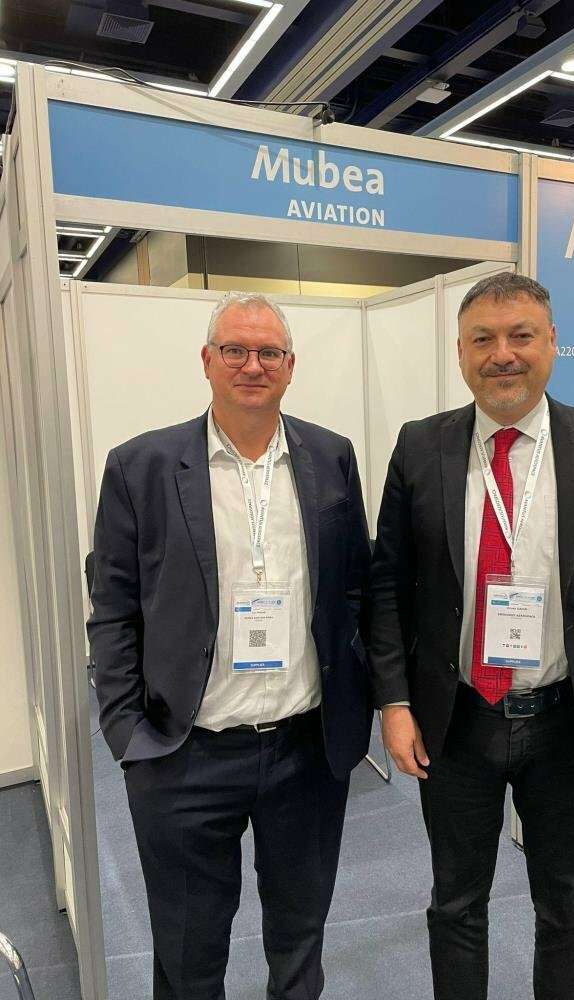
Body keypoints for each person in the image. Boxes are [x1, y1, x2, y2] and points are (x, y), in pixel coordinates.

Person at [369, 273, 574, 1000]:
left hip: (569, 721)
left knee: (566, 907)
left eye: (520, 336)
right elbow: (388, 587)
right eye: (483, 338)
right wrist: (394, 701)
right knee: (455, 904)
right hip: (456, 721)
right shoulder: (420, 446)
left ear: (552, 344)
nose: (502, 354)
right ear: (460, 351)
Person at [88, 291, 371, 1000]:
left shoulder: (330, 456)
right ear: (207, 361)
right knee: (189, 953)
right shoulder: (140, 466)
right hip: (185, 752)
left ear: (290, 365)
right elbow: (113, 608)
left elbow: (355, 590)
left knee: (300, 943)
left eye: (269, 352)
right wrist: (128, 733)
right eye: (235, 350)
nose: (252, 365)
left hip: (306, 751)